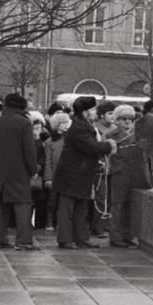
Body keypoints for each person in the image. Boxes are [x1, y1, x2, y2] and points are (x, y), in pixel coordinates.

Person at [53, 96, 117, 250]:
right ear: (85, 111)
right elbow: (91, 146)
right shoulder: (79, 127)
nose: (95, 112)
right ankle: (65, 239)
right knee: (67, 209)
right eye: (93, 109)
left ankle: (81, 238)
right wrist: (108, 146)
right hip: (71, 174)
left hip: (81, 174)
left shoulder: (85, 124)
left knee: (81, 207)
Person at [0, 93, 40, 250]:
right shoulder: (23, 123)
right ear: (21, 107)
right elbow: (29, 150)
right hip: (19, 171)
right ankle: (23, 241)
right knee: (22, 204)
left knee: (0, 204)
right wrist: (33, 169)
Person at [107, 105, 152, 248]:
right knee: (118, 205)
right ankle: (115, 236)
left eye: (131, 118)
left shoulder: (139, 134)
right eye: (124, 118)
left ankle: (128, 235)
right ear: (117, 120)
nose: (128, 122)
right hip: (119, 173)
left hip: (135, 173)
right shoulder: (111, 135)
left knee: (131, 206)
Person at [90, 100, 117, 237]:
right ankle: (98, 226)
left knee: (111, 197)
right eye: (110, 113)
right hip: (100, 169)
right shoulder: (95, 129)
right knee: (101, 197)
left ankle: (107, 224)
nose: (113, 116)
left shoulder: (115, 129)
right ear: (102, 115)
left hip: (114, 168)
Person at [43, 112, 71, 232]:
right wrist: (48, 178)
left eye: (66, 122)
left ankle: (61, 222)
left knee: (64, 201)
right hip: (54, 174)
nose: (65, 125)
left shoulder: (69, 139)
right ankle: (49, 222)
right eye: (63, 123)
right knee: (52, 200)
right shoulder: (50, 141)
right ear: (57, 125)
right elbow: (47, 161)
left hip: (67, 173)